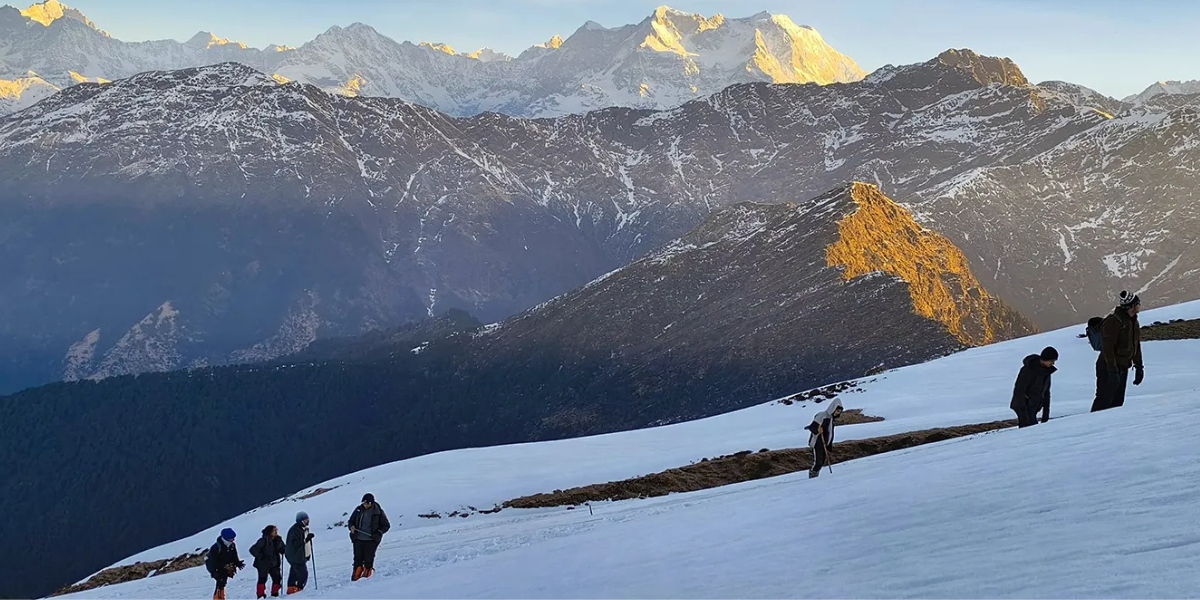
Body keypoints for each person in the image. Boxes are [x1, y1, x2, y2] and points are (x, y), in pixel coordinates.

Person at [1092, 291, 1144, 412]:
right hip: (1107, 367)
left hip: (1123, 366)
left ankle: (1110, 429)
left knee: (1117, 402)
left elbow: (1136, 345)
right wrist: (1112, 371)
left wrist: (1139, 367)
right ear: (1132, 306)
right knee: (1104, 400)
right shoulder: (1113, 321)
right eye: (1138, 303)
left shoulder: (1133, 322)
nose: (1140, 305)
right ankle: (1094, 426)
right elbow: (1107, 348)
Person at [1010, 347, 1057, 427]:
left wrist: (1045, 416)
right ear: (1045, 359)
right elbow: (1019, 391)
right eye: (1051, 361)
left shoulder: (1047, 372)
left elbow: (1046, 393)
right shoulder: (1028, 370)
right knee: (1030, 428)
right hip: (1023, 405)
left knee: (1033, 428)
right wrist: (1023, 413)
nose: (1053, 363)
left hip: (1034, 405)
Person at [348, 493, 391, 581]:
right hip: (358, 538)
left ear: (371, 503)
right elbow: (351, 521)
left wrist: (378, 533)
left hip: (371, 540)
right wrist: (351, 527)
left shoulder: (378, 512)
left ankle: (367, 575)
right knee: (357, 558)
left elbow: (386, 525)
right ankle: (355, 576)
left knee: (368, 559)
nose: (365, 505)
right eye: (364, 503)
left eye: (367, 503)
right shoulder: (358, 510)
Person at [804, 398, 843, 479]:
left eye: (839, 412)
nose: (837, 413)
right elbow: (812, 427)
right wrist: (818, 429)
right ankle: (812, 476)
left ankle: (815, 476)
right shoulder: (822, 416)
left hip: (825, 443)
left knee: (821, 462)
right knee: (818, 462)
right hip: (818, 442)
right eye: (837, 411)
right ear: (833, 408)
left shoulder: (831, 419)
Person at [205, 528, 244, 600]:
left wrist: (238, 563)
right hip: (217, 568)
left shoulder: (232, 545)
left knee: (222, 583)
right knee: (220, 583)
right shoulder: (216, 547)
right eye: (231, 538)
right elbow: (213, 561)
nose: (233, 540)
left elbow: (234, 555)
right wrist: (214, 571)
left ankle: (220, 597)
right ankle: (217, 598)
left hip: (226, 567)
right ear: (225, 538)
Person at [249, 525, 286, 598]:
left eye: (276, 530)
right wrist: (261, 556)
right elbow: (253, 550)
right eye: (274, 530)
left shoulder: (278, 539)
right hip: (263, 564)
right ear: (270, 532)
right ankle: (261, 595)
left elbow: (283, 547)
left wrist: (283, 550)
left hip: (274, 563)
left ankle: (274, 594)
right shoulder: (263, 540)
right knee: (262, 579)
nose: (276, 532)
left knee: (277, 578)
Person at [285, 512, 315, 594]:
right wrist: (306, 540)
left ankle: (291, 588)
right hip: (296, 556)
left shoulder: (303, 529)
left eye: (307, 520)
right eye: (305, 520)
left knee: (294, 573)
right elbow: (295, 544)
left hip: (300, 556)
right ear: (300, 521)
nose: (307, 521)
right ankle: (298, 589)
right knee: (303, 574)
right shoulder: (295, 530)